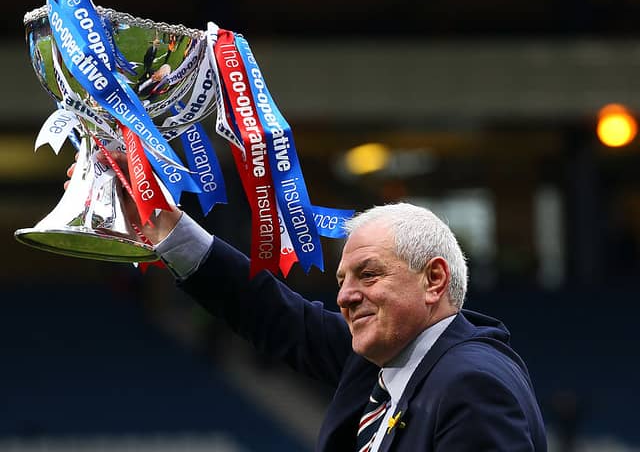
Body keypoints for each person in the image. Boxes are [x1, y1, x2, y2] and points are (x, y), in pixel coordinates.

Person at [67, 156, 548, 451]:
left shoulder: (472, 384)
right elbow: (272, 313)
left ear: (434, 279)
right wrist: (163, 226)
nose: (345, 295)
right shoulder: (384, 358)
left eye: (368, 274)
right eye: (342, 280)